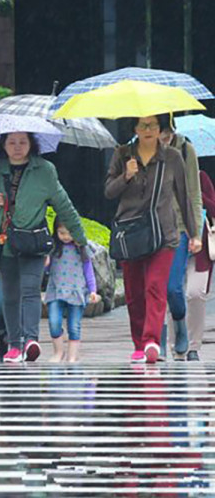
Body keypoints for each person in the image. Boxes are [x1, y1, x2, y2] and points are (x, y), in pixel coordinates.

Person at [0, 131, 87, 363]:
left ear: (32, 144)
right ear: (2, 144)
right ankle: (14, 345)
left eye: (23, 142)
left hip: (33, 241)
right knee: (10, 295)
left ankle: (31, 340)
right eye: (12, 142)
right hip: (3, 241)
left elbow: (63, 204)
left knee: (30, 290)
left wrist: (80, 237)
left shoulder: (45, 170)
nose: (17, 147)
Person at [105, 115, 201, 364]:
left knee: (156, 288)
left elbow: (185, 197)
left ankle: (151, 341)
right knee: (134, 293)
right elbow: (108, 192)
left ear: (160, 128)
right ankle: (139, 343)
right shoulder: (122, 153)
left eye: (153, 125)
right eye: (143, 125)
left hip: (164, 233)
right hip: (131, 234)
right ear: (134, 128)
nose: (148, 130)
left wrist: (194, 233)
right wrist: (126, 175)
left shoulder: (173, 157)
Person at [159, 120, 202, 360]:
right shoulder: (142, 151)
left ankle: (179, 324)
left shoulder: (186, 150)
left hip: (179, 227)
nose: (161, 138)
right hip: (152, 228)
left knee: (173, 287)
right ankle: (160, 341)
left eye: (165, 133)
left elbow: (194, 193)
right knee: (155, 288)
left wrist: (195, 232)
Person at [45, 220, 100, 363]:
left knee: (74, 326)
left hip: (76, 290)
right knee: (54, 322)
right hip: (56, 290)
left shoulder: (81, 248)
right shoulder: (53, 248)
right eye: (61, 233)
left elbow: (89, 271)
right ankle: (58, 352)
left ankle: (72, 355)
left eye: (69, 233)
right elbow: (46, 269)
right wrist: (44, 263)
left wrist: (93, 290)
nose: (65, 237)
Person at [181, 170, 215, 361]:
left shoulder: (201, 177)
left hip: (200, 250)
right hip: (172, 245)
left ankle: (193, 346)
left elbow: (214, 208)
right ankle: (176, 347)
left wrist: (196, 195)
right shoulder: (162, 177)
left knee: (195, 293)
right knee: (173, 294)